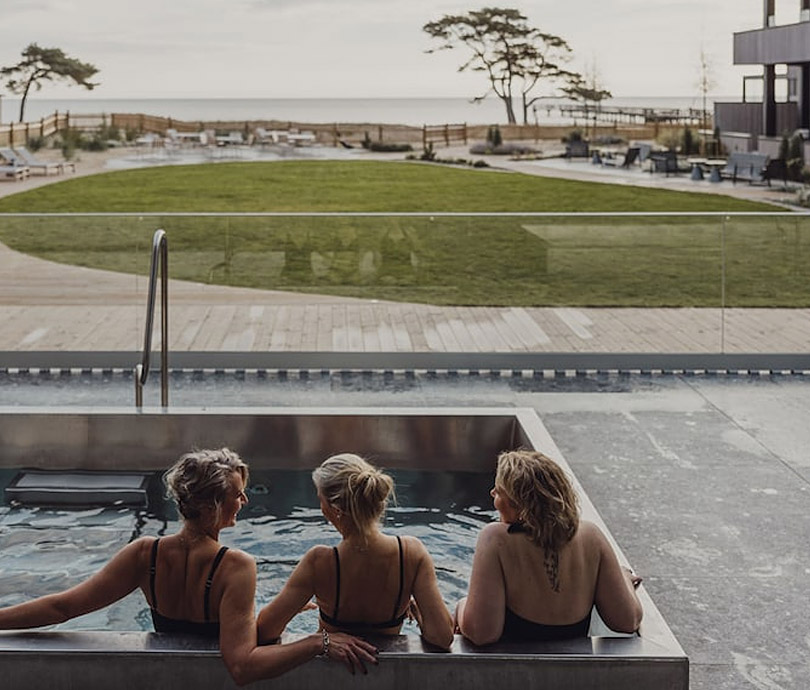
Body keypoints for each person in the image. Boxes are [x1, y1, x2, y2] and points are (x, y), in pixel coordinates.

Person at [0, 448, 377, 685]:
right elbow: (242, 667)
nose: (245, 501)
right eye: (237, 494)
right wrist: (317, 642)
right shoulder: (236, 566)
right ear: (213, 505)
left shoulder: (144, 553)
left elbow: (62, 607)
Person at [257, 453, 454, 650]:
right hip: (385, 664)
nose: (321, 508)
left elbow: (264, 631)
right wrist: (416, 610)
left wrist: (298, 612)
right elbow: (442, 637)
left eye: (320, 500)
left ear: (335, 509)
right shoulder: (411, 554)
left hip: (329, 665)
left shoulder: (319, 562)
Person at [455, 449, 643, 646]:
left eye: (499, 491)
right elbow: (627, 621)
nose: (492, 493)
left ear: (518, 505)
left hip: (512, 663)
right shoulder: (591, 536)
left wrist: (461, 606)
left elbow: (482, 633)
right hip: (576, 662)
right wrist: (623, 578)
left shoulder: (496, 539)